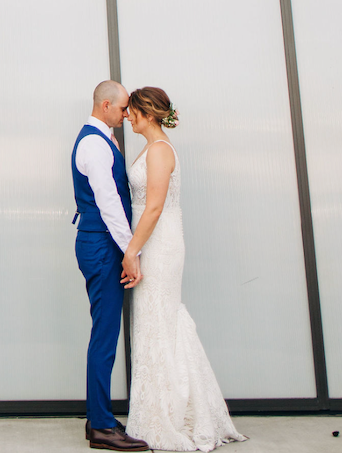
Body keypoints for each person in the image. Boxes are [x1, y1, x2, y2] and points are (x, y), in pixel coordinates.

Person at [123, 87, 246, 452]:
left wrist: (133, 250)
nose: (127, 116)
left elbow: (155, 207)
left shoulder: (160, 151)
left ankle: (172, 415)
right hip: (150, 240)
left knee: (161, 319)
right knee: (154, 321)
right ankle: (158, 408)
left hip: (160, 244)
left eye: (132, 111)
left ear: (146, 112)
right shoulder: (150, 147)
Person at [72, 81, 150, 452]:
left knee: (104, 335)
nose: (125, 116)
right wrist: (129, 252)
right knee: (104, 337)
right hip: (102, 244)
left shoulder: (102, 140)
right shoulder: (93, 143)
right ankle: (102, 426)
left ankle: (98, 418)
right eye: (121, 110)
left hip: (100, 242)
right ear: (106, 105)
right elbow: (109, 204)